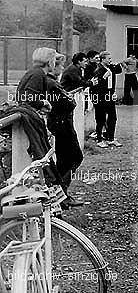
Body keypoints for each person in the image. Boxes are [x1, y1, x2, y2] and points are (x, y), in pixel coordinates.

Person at [46, 53, 84, 208]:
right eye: (60, 65)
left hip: (63, 123)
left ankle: (61, 194)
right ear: (52, 65)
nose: (63, 68)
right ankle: (60, 194)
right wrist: (69, 98)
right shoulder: (51, 83)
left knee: (68, 160)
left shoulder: (52, 82)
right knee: (72, 158)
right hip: (61, 125)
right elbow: (69, 103)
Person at [92, 51, 124, 149]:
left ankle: (111, 138)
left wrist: (117, 64)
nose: (110, 60)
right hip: (101, 96)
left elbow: (119, 70)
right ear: (103, 59)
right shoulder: (98, 70)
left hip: (110, 94)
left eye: (110, 58)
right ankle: (99, 139)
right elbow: (95, 85)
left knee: (112, 117)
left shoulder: (110, 68)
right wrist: (103, 78)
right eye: (108, 59)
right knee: (100, 118)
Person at [16, 47, 55, 113]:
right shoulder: (37, 75)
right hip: (26, 116)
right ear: (49, 62)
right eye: (54, 60)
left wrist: (40, 106)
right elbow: (29, 99)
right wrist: (44, 103)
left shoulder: (34, 72)